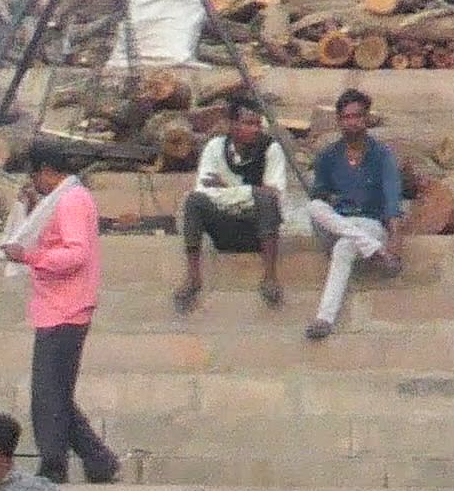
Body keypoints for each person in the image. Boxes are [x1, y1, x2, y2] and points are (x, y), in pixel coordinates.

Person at [1, 140, 120, 485]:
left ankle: (54, 465)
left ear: (45, 171)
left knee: (47, 397)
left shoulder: (71, 200)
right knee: (56, 395)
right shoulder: (62, 199)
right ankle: (99, 462)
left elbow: (75, 254)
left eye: (34, 177)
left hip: (66, 308)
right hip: (56, 306)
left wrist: (29, 257)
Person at [301, 86, 406, 342]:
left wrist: (394, 242)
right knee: (313, 207)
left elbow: (392, 200)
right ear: (339, 121)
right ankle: (374, 250)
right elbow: (319, 194)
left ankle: (324, 319)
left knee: (345, 247)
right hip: (338, 223)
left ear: (367, 119)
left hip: (370, 224)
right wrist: (330, 199)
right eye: (346, 117)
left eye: (357, 116)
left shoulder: (382, 156)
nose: (352, 122)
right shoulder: (328, 156)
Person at [174, 96, 289, 312]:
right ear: (232, 125)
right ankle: (193, 278)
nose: (255, 129)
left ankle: (270, 277)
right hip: (223, 226)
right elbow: (205, 191)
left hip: (256, 230)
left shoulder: (271, 149)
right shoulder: (214, 148)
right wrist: (251, 192)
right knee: (194, 201)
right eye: (248, 123)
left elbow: (274, 196)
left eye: (257, 124)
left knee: (266, 202)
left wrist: (226, 187)